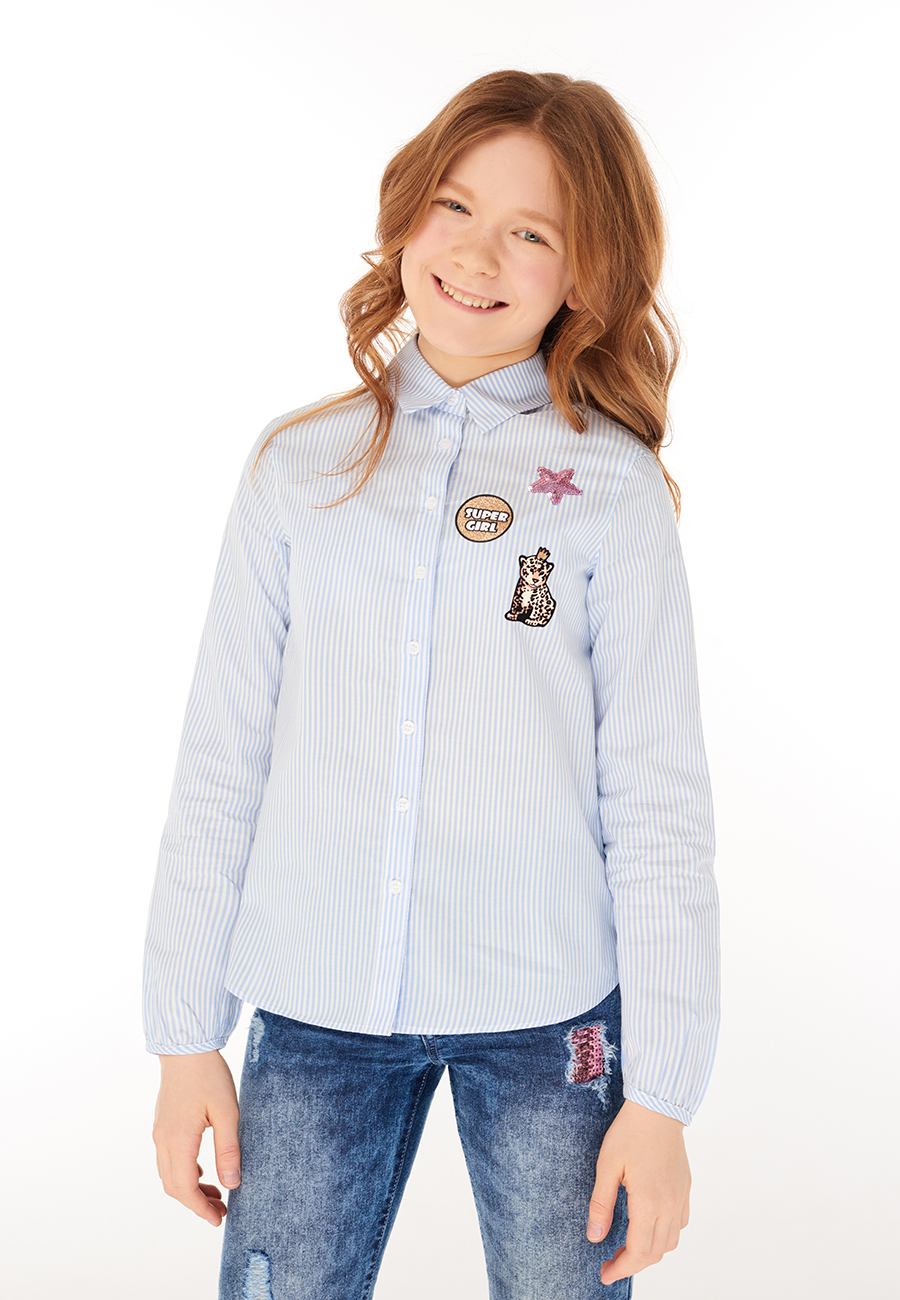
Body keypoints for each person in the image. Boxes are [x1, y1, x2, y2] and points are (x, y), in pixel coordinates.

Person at [144, 69, 719, 1300]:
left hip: (550, 1015)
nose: (476, 254)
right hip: (314, 1006)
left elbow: (657, 802)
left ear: (587, 274)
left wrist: (664, 1095)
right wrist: (186, 1034)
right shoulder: (297, 468)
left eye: (532, 232)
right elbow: (222, 760)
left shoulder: (610, 491)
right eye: (454, 206)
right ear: (409, 210)